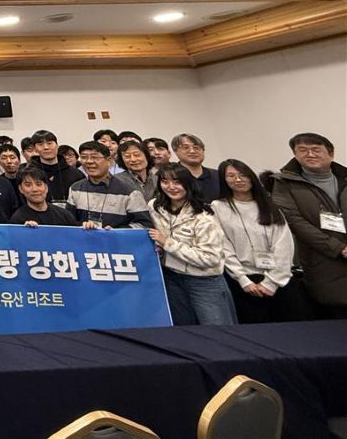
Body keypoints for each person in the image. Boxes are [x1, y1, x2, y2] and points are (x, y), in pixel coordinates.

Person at [213, 159, 310, 323]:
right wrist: (243, 280)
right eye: (231, 175)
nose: (238, 179)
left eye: (243, 174)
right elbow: (224, 246)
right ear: (224, 180)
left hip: (279, 280)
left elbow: (284, 245)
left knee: (293, 328)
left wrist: (271, 282)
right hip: (244, 282)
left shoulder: (269, 205)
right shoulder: (218, 207)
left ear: (251, 177)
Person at [148, 163, 237, 325]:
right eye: (165, 181)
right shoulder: (155, 207)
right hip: (171, 278)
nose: (171, 187)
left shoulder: (204, 217)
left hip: (204, 281)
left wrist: (167, 243)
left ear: (188, 184)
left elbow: (210, 258)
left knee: (218, 330)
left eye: (177, 182)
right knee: (184, 330)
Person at [271, 132, 347, 318]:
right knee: (336, 314)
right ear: (295, 155)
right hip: (321, 258)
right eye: (303, 150)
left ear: (330, 153)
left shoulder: (344, 178)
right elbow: (294, 221)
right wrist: (338, 247)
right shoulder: (284, 183)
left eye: (316, 149)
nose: (310, 154)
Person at [67, 142, 152, 229]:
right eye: (84, 157)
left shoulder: (129, 192)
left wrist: (116, 232)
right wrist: (82, 226)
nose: (89, 161)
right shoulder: (75, 189)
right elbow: (68, 222)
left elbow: (144, 225)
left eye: (95, 157)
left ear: (109, 160)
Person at [11, 167, 81, 226]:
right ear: (21, 189)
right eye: (28, 185)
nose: (35, 189)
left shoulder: (64, 215)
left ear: (46, 187)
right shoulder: (18, 219)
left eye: (38, 184)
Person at [27, 131, 84, 203]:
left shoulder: (76, 174)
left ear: (57, 146)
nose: (46, 147)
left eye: (49, 143)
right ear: (35, 149)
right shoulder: (29, 174)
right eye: (40, 144)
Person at [171, 133, 221, 202]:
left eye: (196, 148)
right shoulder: (169, 176)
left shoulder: (218, 175)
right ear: (175, 151)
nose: (192, 151)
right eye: (186, 147)